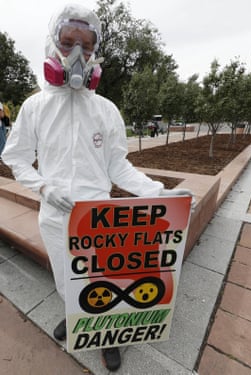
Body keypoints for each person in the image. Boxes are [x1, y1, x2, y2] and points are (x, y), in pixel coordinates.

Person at [2, 4, 194, 372]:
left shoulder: (105, 110)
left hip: (100, 221)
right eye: (68, 42)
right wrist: (42, 187)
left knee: (104, 279)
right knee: (65, 278)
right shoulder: (35, 107)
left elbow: (118, 166)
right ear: (53, 45)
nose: (76, 53)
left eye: (86, 46)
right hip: (56, 218)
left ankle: (110, 334)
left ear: (94, 53)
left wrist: (158, 193)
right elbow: (18, 158)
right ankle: (77, 318)